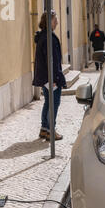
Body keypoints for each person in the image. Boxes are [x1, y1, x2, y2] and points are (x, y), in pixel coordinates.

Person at [33, 10, 66, 141]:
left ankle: (44, 130)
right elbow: (51, 61)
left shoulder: (44, 36)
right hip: (50, 78)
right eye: (55, 20)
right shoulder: (49, 38)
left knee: (48, 103)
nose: (57, 22)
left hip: (45, 77)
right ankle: (50, 131)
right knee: (54, 104)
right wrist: (54, 78)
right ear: (50, 21)